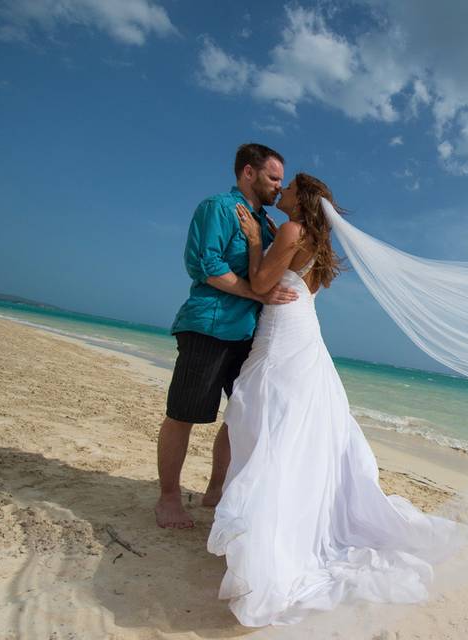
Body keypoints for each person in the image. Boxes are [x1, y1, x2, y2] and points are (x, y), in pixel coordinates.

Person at [207, 173, 455, 626]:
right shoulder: (319, 246)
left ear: (301, 199)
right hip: (304, 329)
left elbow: (262, 285)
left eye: (287, 188)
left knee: (269, 417)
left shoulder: (290, 230)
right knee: (287, 419)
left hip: (283, 329)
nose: (279, 192)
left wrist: (251, 240)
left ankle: (267, 526)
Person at [156, 143, 298, 529]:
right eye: (273, 178)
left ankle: (215, 490)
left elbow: (266, 272)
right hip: (209, 325)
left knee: (242, 416)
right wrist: (258, 293)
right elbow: (206, 266)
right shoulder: (217, 208)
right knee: (183, 414)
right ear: (248, 173)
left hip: (250, 334)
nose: (278, 187)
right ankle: (168, 497)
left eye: (282, 181)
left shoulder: (267, 224)